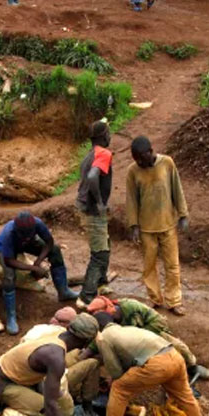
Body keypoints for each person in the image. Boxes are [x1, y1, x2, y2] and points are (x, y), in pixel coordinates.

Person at [0, 314, 101, 416]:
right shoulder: (55, 357)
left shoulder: (58, 337)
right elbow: (49, 406)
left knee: (60, 403)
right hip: (3, 383)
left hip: (20, 376)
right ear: (85, 341)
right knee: (46, 413)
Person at [96, 322, 208, 416]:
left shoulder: (104, 337)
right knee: (184, 395)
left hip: (158, 364)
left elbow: (116, 371)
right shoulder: (126, 330)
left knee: (119, 388)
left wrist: (113, 379)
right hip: (175, 356)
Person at [125, 136, 190, 316]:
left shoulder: (167, 163)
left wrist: (183, 214)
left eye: (141, 158)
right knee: (149, 266)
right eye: (135, 159)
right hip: (146, 228)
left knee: (172, 265)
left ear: (150, 152)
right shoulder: (133, 171)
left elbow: (177, 188)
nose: (138, 162)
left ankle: (174, 301)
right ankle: (155, 299)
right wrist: (134, 226)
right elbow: (131, 199)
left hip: (167, 225)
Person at [85, 296, 209, 381]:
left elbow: (153, 325)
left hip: (149, 329)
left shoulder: (131, 308)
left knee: (175, 346)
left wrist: (139, 335)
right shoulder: (103, 319)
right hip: (128, 337)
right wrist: (85, 354)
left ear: (109, 309)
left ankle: (192, 365)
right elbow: (100, 337)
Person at [0, 211, 79, 335]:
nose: (26, 236)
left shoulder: (37, 224)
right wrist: (34, 268)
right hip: (6, 251)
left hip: (26, 245)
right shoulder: (8, 233)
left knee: (55, 251)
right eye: (23, 235)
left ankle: (63, 291)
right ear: (17, 230)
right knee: (9, 276)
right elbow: (9, 261)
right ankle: (11, 317)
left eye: (29, 234)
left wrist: (38, 261)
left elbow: (49, 243)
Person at [75, 121, 114, 310]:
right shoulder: (103, 154)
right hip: (92, 210)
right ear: (103, 136)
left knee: (104, 244)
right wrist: (100, 202)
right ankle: (86, 296)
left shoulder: (89, 155)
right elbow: (92, 177)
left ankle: (101, 282)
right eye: (108, 132)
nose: (110, 135)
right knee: (100, 254)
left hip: (84, 207)